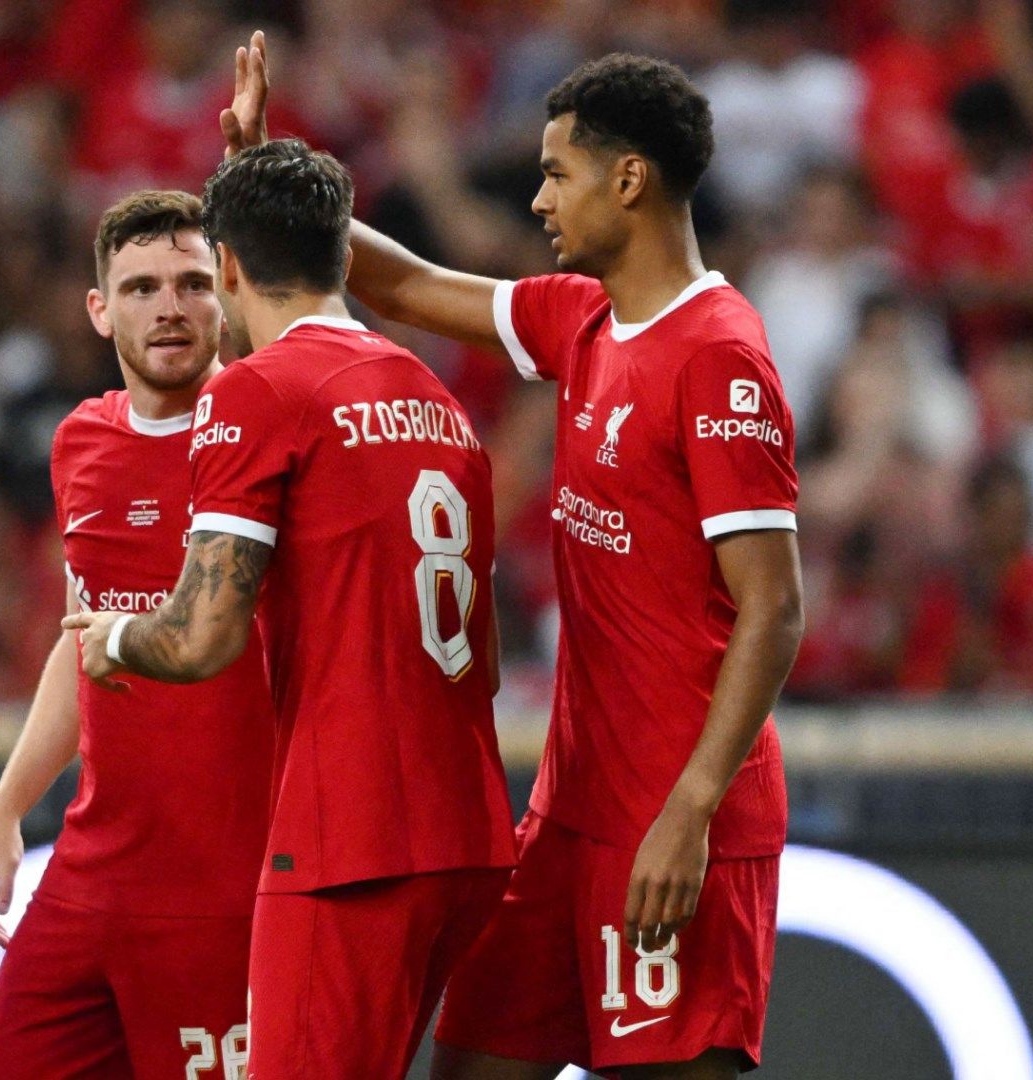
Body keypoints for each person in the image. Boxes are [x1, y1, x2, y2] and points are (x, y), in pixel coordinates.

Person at [224, 36, 805, 1080]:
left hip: (676, 820)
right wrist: (269, 182)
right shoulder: (585, 320)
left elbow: (774, 610)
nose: (539, 199)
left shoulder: (719, 356)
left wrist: (689, 814)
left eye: (556, 173)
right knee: (471, 1059)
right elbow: (404, 287)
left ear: (628, 180)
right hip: (571, 812)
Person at [64, 140, 517, 1080]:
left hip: (352, 839)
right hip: (469, 832)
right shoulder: (436, 397)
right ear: (344, 257)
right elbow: (488, 648)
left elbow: (199, 637)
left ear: (225, 266)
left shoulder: (256, 391)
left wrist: (112, 636)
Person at [0, 189, 274, 1080]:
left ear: (227, 295)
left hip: (226, 887)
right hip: (92, 871)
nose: (168, 307)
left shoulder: (267, 431)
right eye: (140, 288)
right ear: (99, 311)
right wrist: (8, 804)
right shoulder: (81, 443)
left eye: (190, 283)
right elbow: (83, 636)